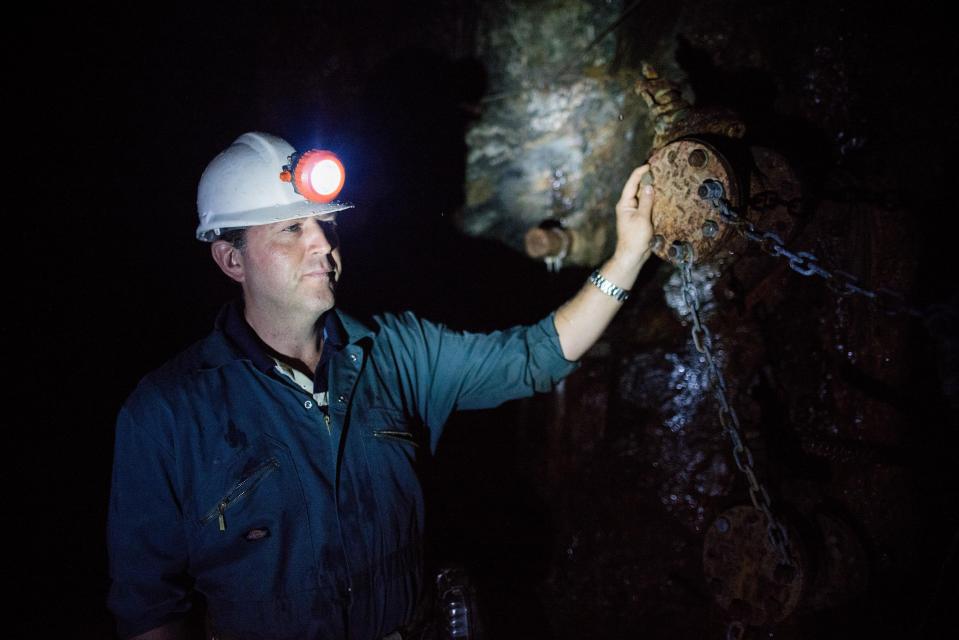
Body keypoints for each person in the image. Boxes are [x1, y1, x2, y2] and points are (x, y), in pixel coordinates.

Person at [107, 131, 655, 640]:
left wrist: (628, 255)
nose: (322, 242)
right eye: (292, 229)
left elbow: (535, 355)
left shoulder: (398, 352)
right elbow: (148, 608)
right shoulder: (167, 411)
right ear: (232, 259)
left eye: (326, 223)